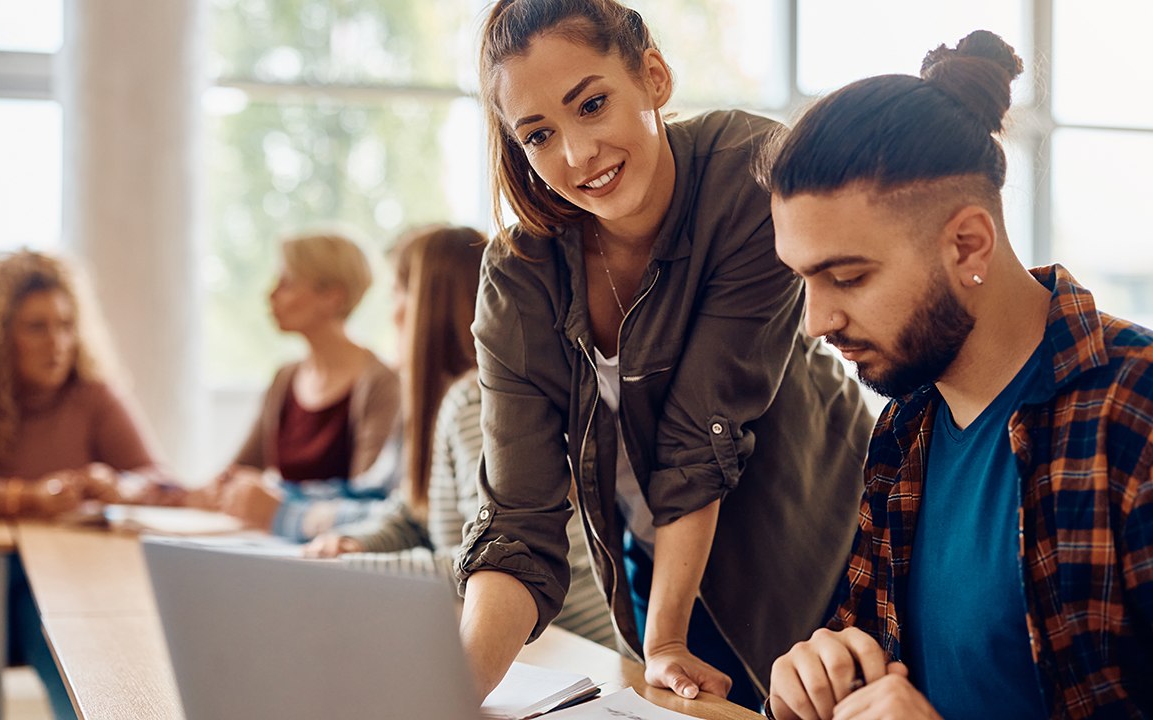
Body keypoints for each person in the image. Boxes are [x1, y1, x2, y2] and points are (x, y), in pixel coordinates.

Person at [455, 0, 875, 710]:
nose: (577, 155)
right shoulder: (519, 273)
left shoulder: (748, 175)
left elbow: (700, 434)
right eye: (538, 135)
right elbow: (515, 522)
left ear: (653, 75)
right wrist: (445, 693)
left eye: (591, 104)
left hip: (822, 550)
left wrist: (665, 639)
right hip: (661, 570)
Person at [761, 30, 1153, 720]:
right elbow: (872, 660)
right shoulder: (905, 426)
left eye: (847, 277)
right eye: (805, 279)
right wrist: (819, 677)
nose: (816, 321)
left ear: (968, 245)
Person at [304, 225, 618, 650]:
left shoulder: (476, 402)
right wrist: (355, 543)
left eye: (396, 292)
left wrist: (360, 568)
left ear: (424, 308)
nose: (388, 311)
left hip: (569, 645)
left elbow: (492, 557)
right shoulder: (449, 401)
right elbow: (413, 512)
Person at [0, 249, 176, 720]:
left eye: (66, 325)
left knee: (86, 646)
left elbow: (159, 481)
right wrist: (26, 497)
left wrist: (119, 486)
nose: (58, 342)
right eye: (37, 327)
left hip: (63, 574)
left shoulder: (94, 394)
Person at [212, 231, 402, 533]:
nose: (270, 295)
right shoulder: (285, 377)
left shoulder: (381, 384)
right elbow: (240, 473)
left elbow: (366, 500)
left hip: (332, 553)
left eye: (285, 283)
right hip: (280, 541)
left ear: (332, 296)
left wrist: (275, 506)